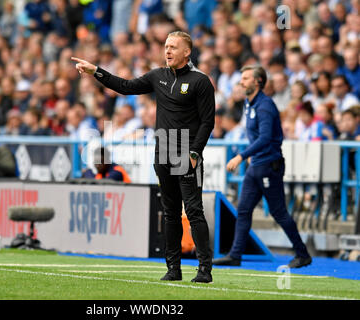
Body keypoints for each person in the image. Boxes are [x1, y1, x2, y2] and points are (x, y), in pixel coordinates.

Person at [72, 30, 215, 283]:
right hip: (163, 150)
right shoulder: (157, 76)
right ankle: (174, 269)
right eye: (166, 46)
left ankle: (204, 269)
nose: (167, 51)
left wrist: (195, 152)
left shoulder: (199, 81)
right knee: (170, 213)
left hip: (185, 150)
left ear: (186, 52)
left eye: (173, 47)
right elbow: (125, 87)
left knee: (193, 211)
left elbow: (208, 122)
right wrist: (97, 71)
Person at [213, 65, 312, 269]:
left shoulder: (265, 105)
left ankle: (302, 254)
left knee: (278, 212)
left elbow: (267, 137)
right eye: (242, 78)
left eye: (246, 78)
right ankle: (235, 254)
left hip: (268, 166)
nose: (242, 82)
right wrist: (253, 155)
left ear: (258, 82)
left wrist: (242, 155)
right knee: (244, 210)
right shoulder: (250, 104)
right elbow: (263, 136)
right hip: (257, 164)